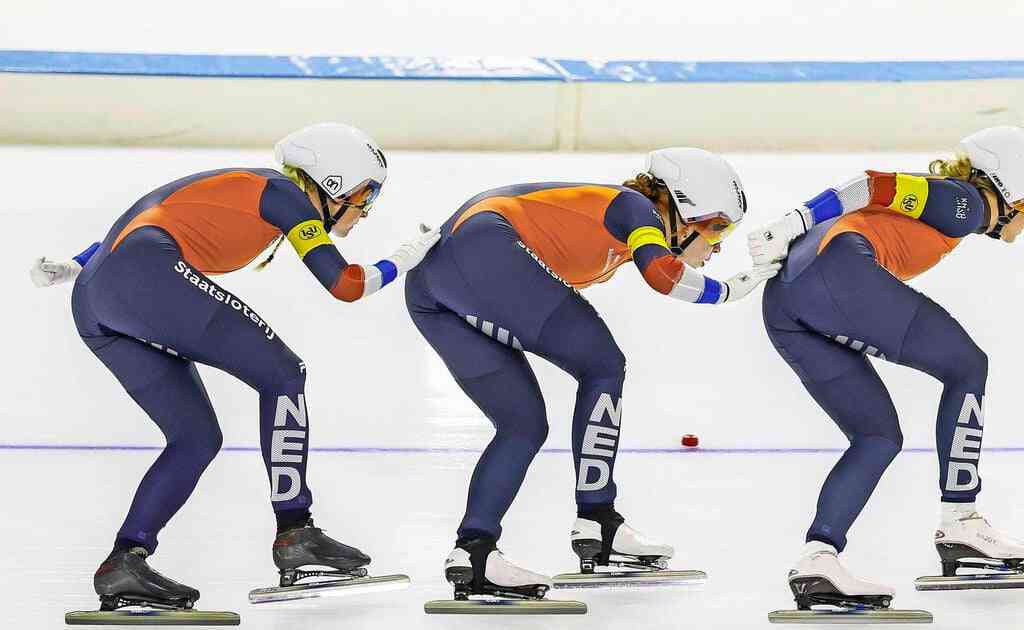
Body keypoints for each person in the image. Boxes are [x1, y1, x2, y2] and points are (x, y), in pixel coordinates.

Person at [31, 122, 440, 612]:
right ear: (331, 184)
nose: (365, 209)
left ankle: (125, 561)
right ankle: (295, 530)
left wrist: (78, 266)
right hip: (142, 276)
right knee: (284, 375)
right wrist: (404, 259)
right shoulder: (287, 196)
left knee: (196, 438)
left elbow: (152, 214)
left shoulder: (249, 188)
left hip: (96, 300)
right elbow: (346, 285)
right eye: (364, 195)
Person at [405, 147, 779, 600]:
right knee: (603, 365)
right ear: (680, 208)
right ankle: (598, 519)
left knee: (522, 426)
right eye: (718, 226)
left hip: (430, 286)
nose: (719, 244)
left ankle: (475, 551)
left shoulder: (622, 222)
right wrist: (735, 288)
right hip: (482, 249)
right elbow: (664, 276)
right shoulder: (635, 208)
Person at [748, 126, 1024, 610]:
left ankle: (818, 558)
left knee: (877, 437)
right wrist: (794, 219)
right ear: (1008, 186)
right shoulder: (965, 203)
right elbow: (872, 184)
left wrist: (796, 230)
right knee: (967, 367)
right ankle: (962, 521)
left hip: (785, 305)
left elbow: (871, 200)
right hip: (839, 277)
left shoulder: (953, 205)